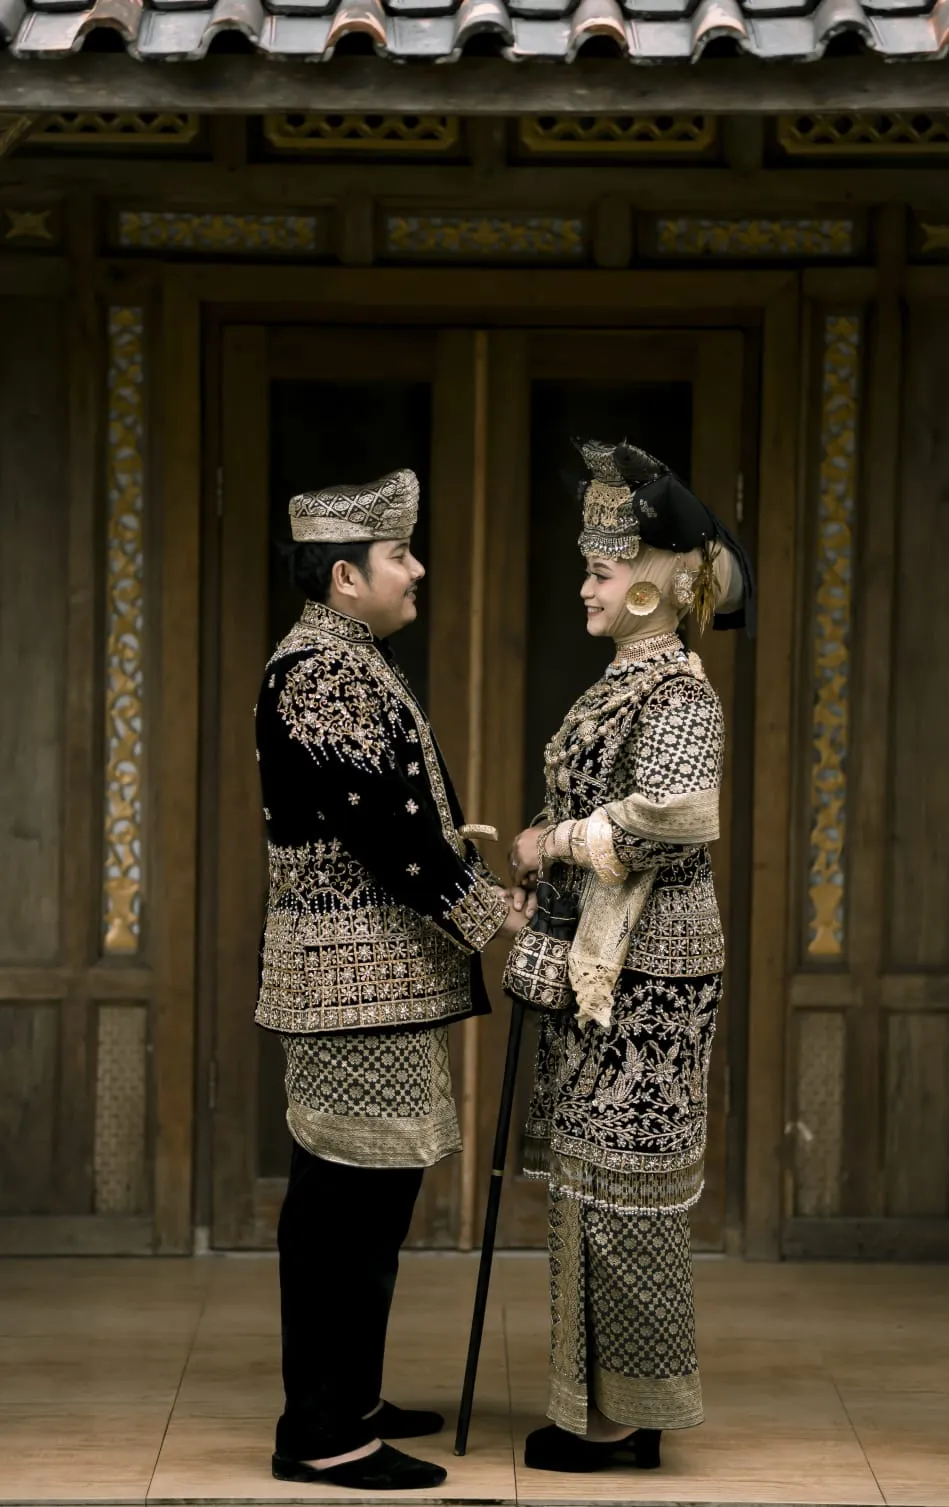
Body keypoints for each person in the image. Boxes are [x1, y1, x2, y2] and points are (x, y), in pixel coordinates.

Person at [255, 469, 528, 1491]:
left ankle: (352, 1400)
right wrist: (486, 909)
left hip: (377, 977)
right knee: (342, 1206)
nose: (417, 570)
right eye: (399, 554)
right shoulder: (319, 671)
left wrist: (474, 901)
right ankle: (321, 1431)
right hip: (345, 981)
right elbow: (384, 830)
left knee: (372, 1203)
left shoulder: (347, 656)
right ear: (344, 576)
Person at [506, 438, 753, 1474]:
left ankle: (624, 1418)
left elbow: (675, 817)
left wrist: (555, 842)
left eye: (603, 572)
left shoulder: (678, 690)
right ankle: (600, 1406)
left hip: (655, 969)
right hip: (607, 959)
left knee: (629, 1188)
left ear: (651, 587)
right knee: (591, 1179)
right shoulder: (625, 681)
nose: (586, 587)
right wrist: (540, 863)